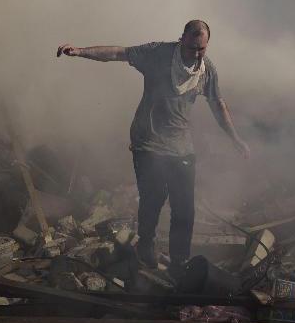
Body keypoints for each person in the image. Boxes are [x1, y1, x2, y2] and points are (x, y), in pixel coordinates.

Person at [56, 20, 249, 269]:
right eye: (192, 48)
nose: (196, 54)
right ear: (182, 39)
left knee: (184, 209)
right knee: (153, 198)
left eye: (202, 49)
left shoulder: (206, 70)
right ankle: (146, 244)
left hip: (181, 146)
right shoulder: (158, 54)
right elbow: (119, 53)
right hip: (148, 142)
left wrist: (235, 138)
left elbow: (218, 105)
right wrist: (80, 51)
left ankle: (179, 261)